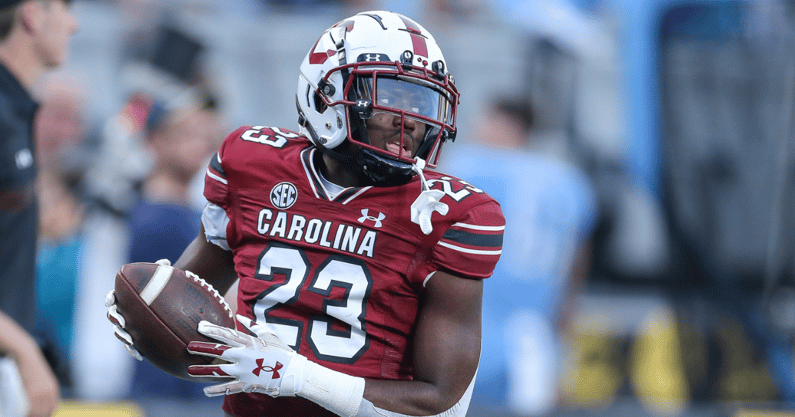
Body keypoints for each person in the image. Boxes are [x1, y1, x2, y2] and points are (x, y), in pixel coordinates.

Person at [107, 10, 505, 417]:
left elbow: (442, 407)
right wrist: (149, 305)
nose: (413, 121)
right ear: (323, 96)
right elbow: (196, 298)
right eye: (391, 98)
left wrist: (301, 377)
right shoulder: (252, 166)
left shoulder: (446, 214)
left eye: (422, 100)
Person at [441, 97, 598, 415]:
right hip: (530, 339)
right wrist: (560, 344)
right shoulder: (567, 181)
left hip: (457, 327)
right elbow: (575, 269)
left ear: (499, 121)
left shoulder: (460, 165)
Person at [0, 0, 77, 416]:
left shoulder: (14, 108)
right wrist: (23, 349)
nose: (74, 24)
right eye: (65, 8)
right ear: (33, 14)